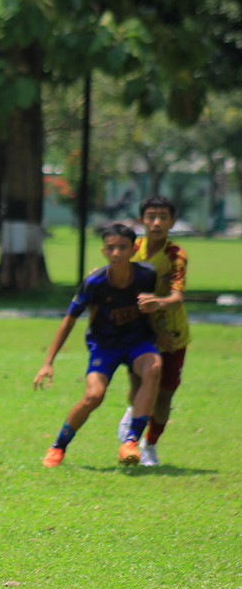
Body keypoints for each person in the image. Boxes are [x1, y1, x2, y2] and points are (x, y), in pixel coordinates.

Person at [33, 222, 162, 467]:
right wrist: (48, 362)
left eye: (122, 248)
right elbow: (69, 320)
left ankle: (131, 441)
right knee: (93, 396)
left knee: (153, 369)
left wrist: (159, 332)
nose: (116, 253)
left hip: (138, 342)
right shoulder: (94, 282)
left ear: (133, 249)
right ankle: (58, 446)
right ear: (103, 250)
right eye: (111, 248)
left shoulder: (146, 275)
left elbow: (150, 308)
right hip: (105, 346)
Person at [115, 196, 190, 466]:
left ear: (171, 221)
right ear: (141, 220)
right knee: (139, 384)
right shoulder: (131, 248)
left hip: (172, 334)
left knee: (164, 395)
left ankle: (150, 443)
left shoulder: (175, 255)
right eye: (151, 216)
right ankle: (133, 426)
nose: (156, 222)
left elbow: (177, 297)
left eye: (162, 217)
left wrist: (156, 302)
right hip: (140, 331)